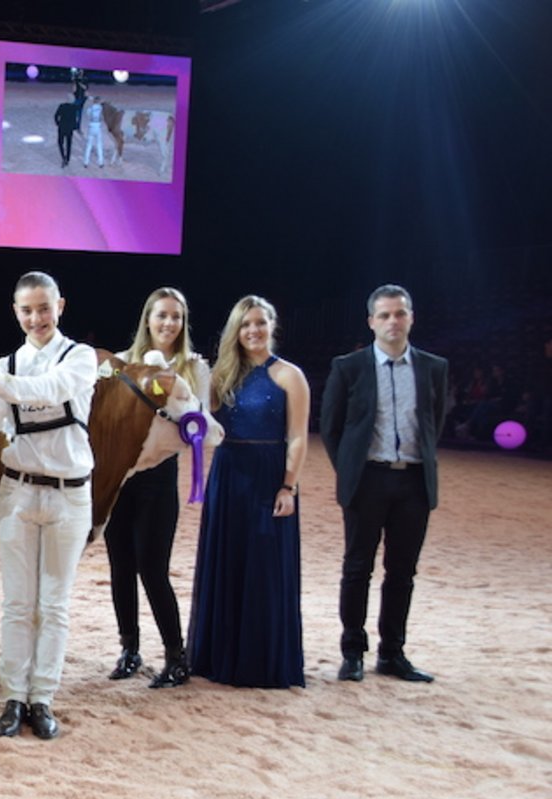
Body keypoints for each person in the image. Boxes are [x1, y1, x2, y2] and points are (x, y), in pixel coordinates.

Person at [0, 271, 98, 739]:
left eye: (44, 308)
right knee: (17, 603)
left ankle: (42, 699)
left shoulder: (80, 359)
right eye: (27, 310)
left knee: (54, 604)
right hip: (17, 493)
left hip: (69, 496)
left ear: (60, 306)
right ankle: (14, 697)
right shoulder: (6, 364)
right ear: (16, 313)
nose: (37, 318)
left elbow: (47, 390)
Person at [321, 284, 448, 683]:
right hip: (367, 480)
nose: (393, 321)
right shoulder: (349, 367)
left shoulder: (434, 367)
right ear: (371, 322)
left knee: (402, 572)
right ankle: (352, 652)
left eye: (400, 313)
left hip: (413, 481)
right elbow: (330, 426)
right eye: (385, 315)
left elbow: (435, 422)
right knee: (357, 568)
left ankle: (392, 653)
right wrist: (350, 471)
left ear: (411, 317)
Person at [188, 296, 309, 688]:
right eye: (245, 324)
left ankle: (260, 663)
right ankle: (218, 658)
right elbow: (198, 415)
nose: (253, 330)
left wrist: (288, 486)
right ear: (235, 332)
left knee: (265, 569)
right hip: (228, 475)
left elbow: (298, 436)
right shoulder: (221, 376)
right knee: (227, 562)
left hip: (268, 475)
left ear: (272, 325)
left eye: (259, 322)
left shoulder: (289, 375)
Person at [104, 287, 211, 688]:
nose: (169, 323)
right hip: (122, 478)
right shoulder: (122, 363)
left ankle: (176, 657)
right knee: (120, 567)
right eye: (161, 315)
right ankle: (129, 649)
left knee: (152, 568)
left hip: (160, 479)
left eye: (176, 316)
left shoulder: (195, 368)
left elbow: (199, 426)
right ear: (147, 319)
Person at [53, 97, 81, 168]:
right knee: (69, 143)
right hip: (70, 128)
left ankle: (63, 156)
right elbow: (79, 109)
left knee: (60, 142)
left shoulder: (62, 106)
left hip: (62, 127)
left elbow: (56, 116)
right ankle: (67, 158)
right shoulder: (74, 107)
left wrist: (58, 123)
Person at [83, 96, 106, 168]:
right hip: (98, 127)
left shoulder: (90, 109)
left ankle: (86, 162)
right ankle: (101, 162)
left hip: (91, 127)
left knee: (89, 145)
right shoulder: (101, 108)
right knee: (99, 145)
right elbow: (102, 117)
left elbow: (88, 115)